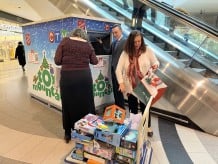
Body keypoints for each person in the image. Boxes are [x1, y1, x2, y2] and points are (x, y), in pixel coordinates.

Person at [54, 28, 98, 143]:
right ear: (83, 36)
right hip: (84, 78)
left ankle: (68, 133)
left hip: (68, 78)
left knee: (68, 104)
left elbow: (57, 61)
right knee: (85, 104)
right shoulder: (87, 45)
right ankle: (86, 130)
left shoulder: (64, 41)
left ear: (72, 34)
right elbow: (95, 61)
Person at [116, 30, 159, 137]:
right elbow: (118, 69)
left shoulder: (147, 50)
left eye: (139, 41)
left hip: (144, 85)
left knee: (146, 107)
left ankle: (147, 127)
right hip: (131, 86)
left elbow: (156, 62)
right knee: (133, 108)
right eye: (135, 42)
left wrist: (155, 66)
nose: (137, 44)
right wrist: (121, 83)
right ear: (130, 42)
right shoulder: (125, 53)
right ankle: (134, 127)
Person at [98, 24, 126, 109]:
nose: (114, 35)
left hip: (121, 71)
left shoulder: (126, 42)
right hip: (113, 71)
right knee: (115, 91)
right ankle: (117, 107)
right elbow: (108, 52)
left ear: (121, 31)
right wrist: (101, 44)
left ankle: (122, 109)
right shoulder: (114, 43)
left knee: (120, 91)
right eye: (113, 33)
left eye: (116, 32)